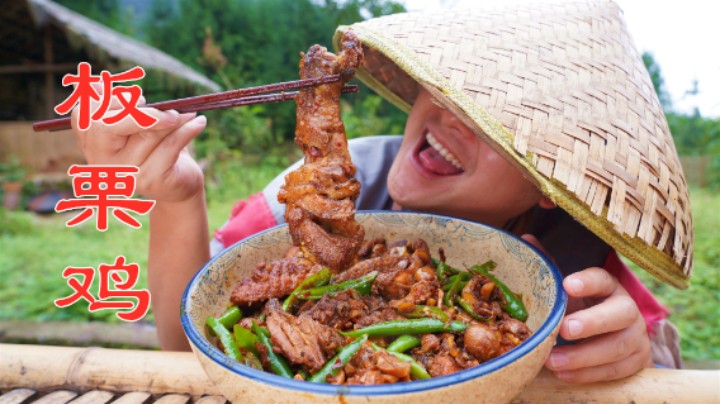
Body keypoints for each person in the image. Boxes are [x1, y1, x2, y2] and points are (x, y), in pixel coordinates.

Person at [70, 0, 688, 384]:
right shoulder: (318, 186)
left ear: (553, 186)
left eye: (499, 127)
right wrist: (180, 197)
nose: (451, 119)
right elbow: (191, 341)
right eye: (447, 90)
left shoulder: (575, 268)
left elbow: (652, 366)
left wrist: (627, 355)